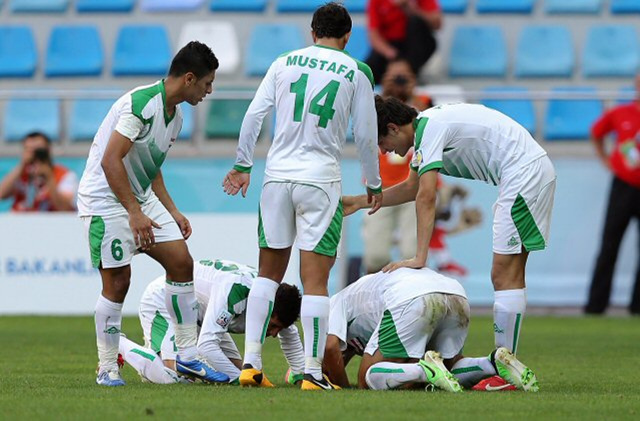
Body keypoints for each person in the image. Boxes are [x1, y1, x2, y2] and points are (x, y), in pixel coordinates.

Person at [222, 3, 382, 390]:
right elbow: (365, 134)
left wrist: (243, 164)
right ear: (347, 38)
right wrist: (373, 183)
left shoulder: (283, 61)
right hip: (320, 181)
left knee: (267, 275)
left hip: (276, 179)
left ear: (312, 32)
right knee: (315, 283)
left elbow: (254, 114)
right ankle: (312, 372)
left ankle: (251, 365)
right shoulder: (357, 71)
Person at [343, 98, 557, 357]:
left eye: (381, 142)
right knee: (510, 272)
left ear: (393, 128)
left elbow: (426, 195)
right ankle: (506, 360)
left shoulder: (430, 128)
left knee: (504, 273)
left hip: (523, 175)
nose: (384, 150)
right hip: (526, 172)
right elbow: (412, 188)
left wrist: (419, 257)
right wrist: (359, 202)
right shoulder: (427, 127)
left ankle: (505, 362)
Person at [77, 41, 226, 386]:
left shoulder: (175, 116)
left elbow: (151, 164)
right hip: (105, 200)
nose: (209, 90)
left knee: (181, 262)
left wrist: (171, 210)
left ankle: (188, 357)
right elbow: (110, 159)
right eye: (207, 83)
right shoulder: (140, 105)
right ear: (189, 79)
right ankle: (106, 367)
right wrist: (133, 212)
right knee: (118, 282)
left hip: (138, 196)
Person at [323, 267, 539, 392]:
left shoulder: (335, 302)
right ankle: (492, 363)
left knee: (366, 378)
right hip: (454, 293)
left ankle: (424, 369)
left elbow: (331, 348)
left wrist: (343, 387)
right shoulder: (358, 304)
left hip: (411, 298)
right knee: (449, 365)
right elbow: (342, 353)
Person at [118, 259, 304, 385]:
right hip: (166, 300)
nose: (272, 333)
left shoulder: (272, 297)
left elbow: (291, 334)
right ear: (267, 310)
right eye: (272, 327)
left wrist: (302, 374)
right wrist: (236, 379)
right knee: (171, 377)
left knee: (241, 369)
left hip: (202, 314)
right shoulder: (235, 292)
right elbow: (206, 345)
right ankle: (116, 342)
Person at [585, 75, 640, 315]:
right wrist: (607, 160)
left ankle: (637, 306)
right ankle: (596, 306)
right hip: (623, 186)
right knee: (609, 245)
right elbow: (596, 132)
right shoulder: (621, 112)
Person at [365, 0, 442, 84]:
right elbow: (374, 36)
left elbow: (437, 24)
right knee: (367, 72)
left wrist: (411, 9)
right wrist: (393, 55)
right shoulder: (376, 2)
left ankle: (410, 73)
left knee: (416, 22)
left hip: (414, 46)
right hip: (389, 46)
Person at [0, 131, 77, 211]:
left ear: (48, 150)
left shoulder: (64, 175)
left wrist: (49, 177)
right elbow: (2, 194)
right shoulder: (20, 174)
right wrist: (22, 165)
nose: (34, 154)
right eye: (29, 149)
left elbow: (64, 208)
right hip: (19, 219)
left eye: (38, 150)